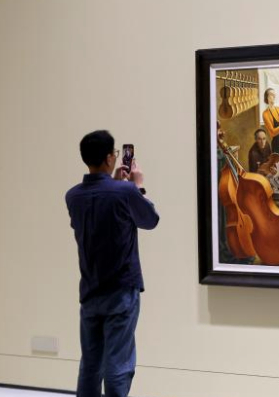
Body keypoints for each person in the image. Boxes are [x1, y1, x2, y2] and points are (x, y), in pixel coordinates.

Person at [65, 130, 160, 397]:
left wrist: (119, 186)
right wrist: (137, 187)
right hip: (121, 290)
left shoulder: (73, 196)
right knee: (118, 365)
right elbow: (149, 220)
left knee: (90, 365)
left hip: (90, 290)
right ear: (109, 158)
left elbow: (101, 209)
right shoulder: (125, 191)